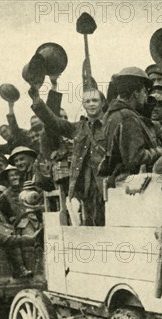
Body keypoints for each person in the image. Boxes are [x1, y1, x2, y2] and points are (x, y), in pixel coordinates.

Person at [30, 85, 107, 225]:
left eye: (95, 100)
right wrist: (37, 100)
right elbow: (53, 121)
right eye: (87, 101)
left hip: (107, 185)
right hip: (85, 188)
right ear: (83, 104)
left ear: (103, 103)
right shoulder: (77, 128)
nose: (91, 104)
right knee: (89, 228)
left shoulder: (110, 124)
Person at [102, 67, 162, 179]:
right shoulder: (128, 117)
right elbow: (135, 158)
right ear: (136, 93)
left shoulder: (111, 114)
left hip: (116, 182)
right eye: (144, 92)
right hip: (130, 185)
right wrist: (159, 151)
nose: (146, 96)